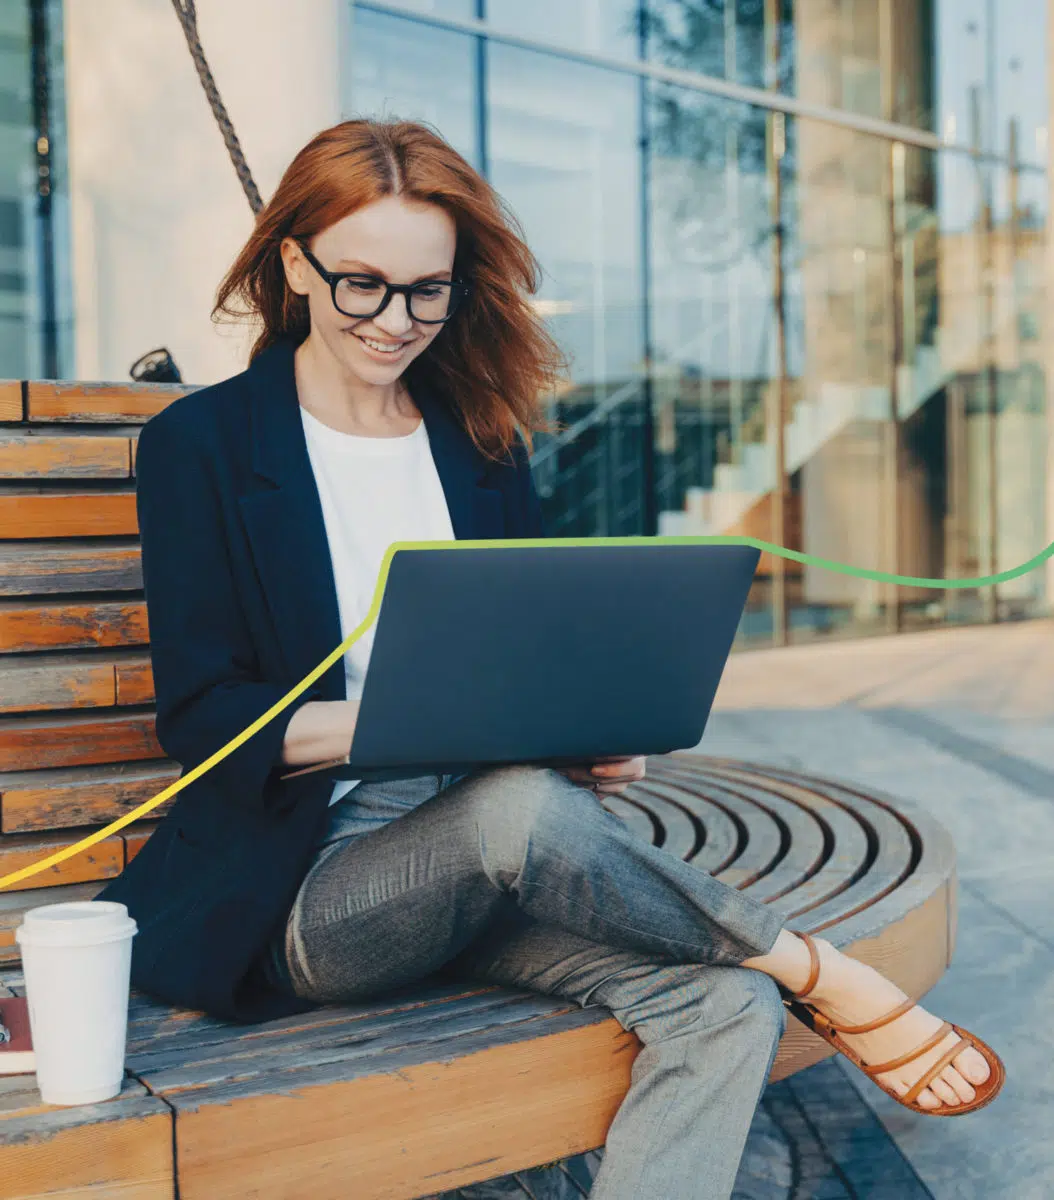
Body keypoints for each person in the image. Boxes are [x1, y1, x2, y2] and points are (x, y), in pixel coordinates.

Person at [97, 118, 1001, 1200]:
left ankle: (772, 976)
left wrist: (582, 735)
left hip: (502, 851)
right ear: (294, 264)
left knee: (724, 1007)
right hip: (317, 885)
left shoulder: (476, 439)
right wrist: (419, 732)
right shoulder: (203, 444)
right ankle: (816, 967)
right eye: (362, 285)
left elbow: (519, 660)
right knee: (518, 809)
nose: (395, 321)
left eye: (426, 291)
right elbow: (203, 717)